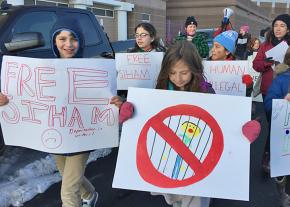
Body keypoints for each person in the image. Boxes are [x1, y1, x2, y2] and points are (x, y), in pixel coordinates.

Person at [154, 40, 214, 207]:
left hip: (196, 153)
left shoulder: (205, 90)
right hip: (171, 154)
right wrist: (131, 109)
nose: (178, 78)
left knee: (194, 196)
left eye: (184, 72)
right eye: (172, 73)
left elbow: (219, 122)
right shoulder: (162, 88)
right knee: (175, 195)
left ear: (195, 69)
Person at [252, 13, 290, 175]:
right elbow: (256, 64)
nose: (278, 28)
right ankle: (267, 157)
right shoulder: (266, 44)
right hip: (269, 92)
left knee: (284, 128)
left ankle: (280, 158)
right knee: (274, 126)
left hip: (286, 92)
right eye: (276, 25)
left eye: (282, 25)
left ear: (288, 29)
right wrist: (269, 61)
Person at [264, 47, 290, 207]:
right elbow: (268, 104)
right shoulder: (282, 80)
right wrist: (283, 102)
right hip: (286, 134)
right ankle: (283, 193)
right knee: (285, 169)